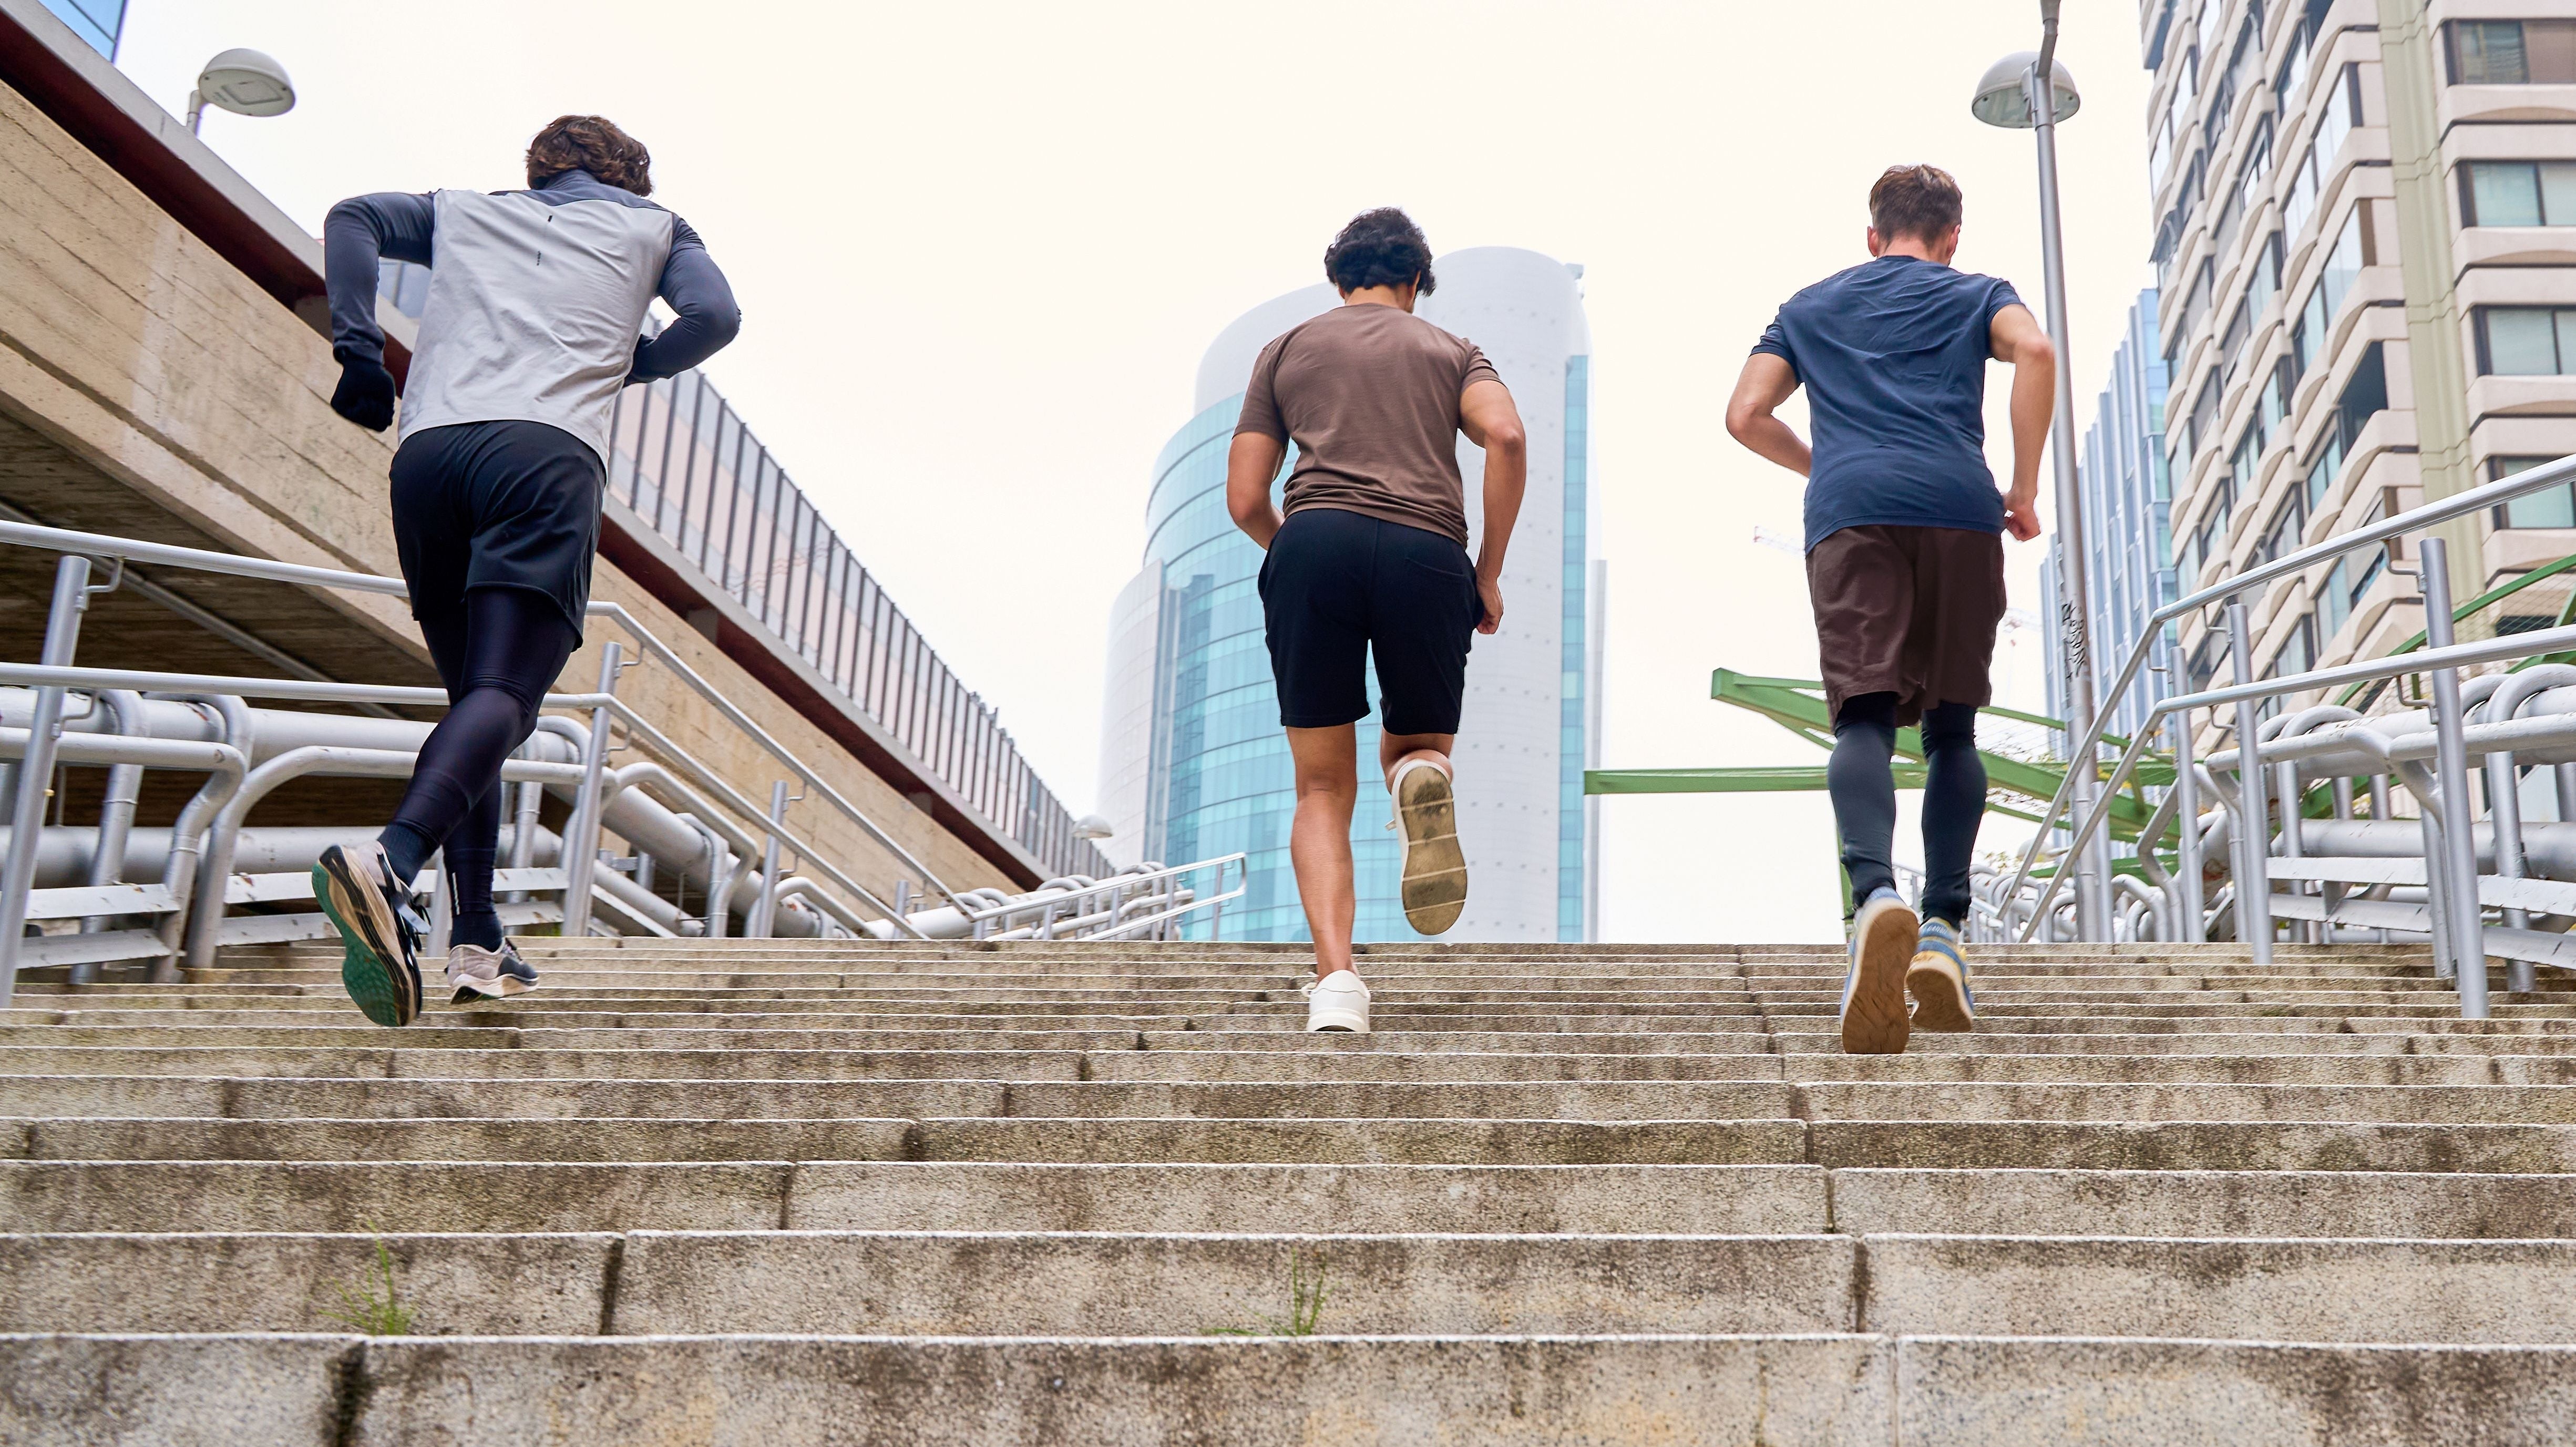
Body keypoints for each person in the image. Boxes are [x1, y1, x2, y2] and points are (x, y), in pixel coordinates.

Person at [314, 115, 741, 1026]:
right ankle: (390, 861)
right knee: (508, 694)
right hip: (541, 454)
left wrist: (360, 349)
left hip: (428, 455)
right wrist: (630, 366)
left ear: (540, 169)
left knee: (479, 700)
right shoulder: (656, 226)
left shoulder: (464, 210)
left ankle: (476, 936)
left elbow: (352, 216)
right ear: (629, 176)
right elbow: (716, 316)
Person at [1724, 164, 2051, 1056]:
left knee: (1862, 719)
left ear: (1872, 235)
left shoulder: (1808, 306)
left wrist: (1828, 466)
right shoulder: (1978, 291)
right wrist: (2020, 487)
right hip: (1958, 507)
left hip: (1850, 513)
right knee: (1952, 731)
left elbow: (1744, 413)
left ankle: (1874, 896)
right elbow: (2037, 352)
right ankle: (1942, 928)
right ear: (1951, 236)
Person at [1227, 208, 1527, 1034]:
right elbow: (1503, 435)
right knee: (1421, 744)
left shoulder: (1285, 349)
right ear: (1414, 284)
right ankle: (1412, 778)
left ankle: (1337, 985)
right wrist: (1487, 573)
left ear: (1339, 279)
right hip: (1426, 553)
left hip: (1313, 539)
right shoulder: (1454, 351)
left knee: (1321, 784)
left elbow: (1245, 498)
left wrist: (1299, 550)